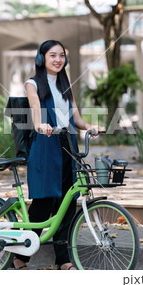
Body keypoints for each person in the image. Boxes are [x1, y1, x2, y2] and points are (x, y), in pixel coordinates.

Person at [13, 40, 104, 270]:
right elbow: (35, 109)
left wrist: (89, 127)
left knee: (67, 202)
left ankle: (63, 260)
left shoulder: (66, 84)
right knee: (44, 203)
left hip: (67, 146)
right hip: (46, 144)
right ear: (42, 57)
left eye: (61, 55)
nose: (57, 59)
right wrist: (40, 125)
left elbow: (76, 118)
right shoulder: (32, 83)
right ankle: (20, 257)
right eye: (52, 55)